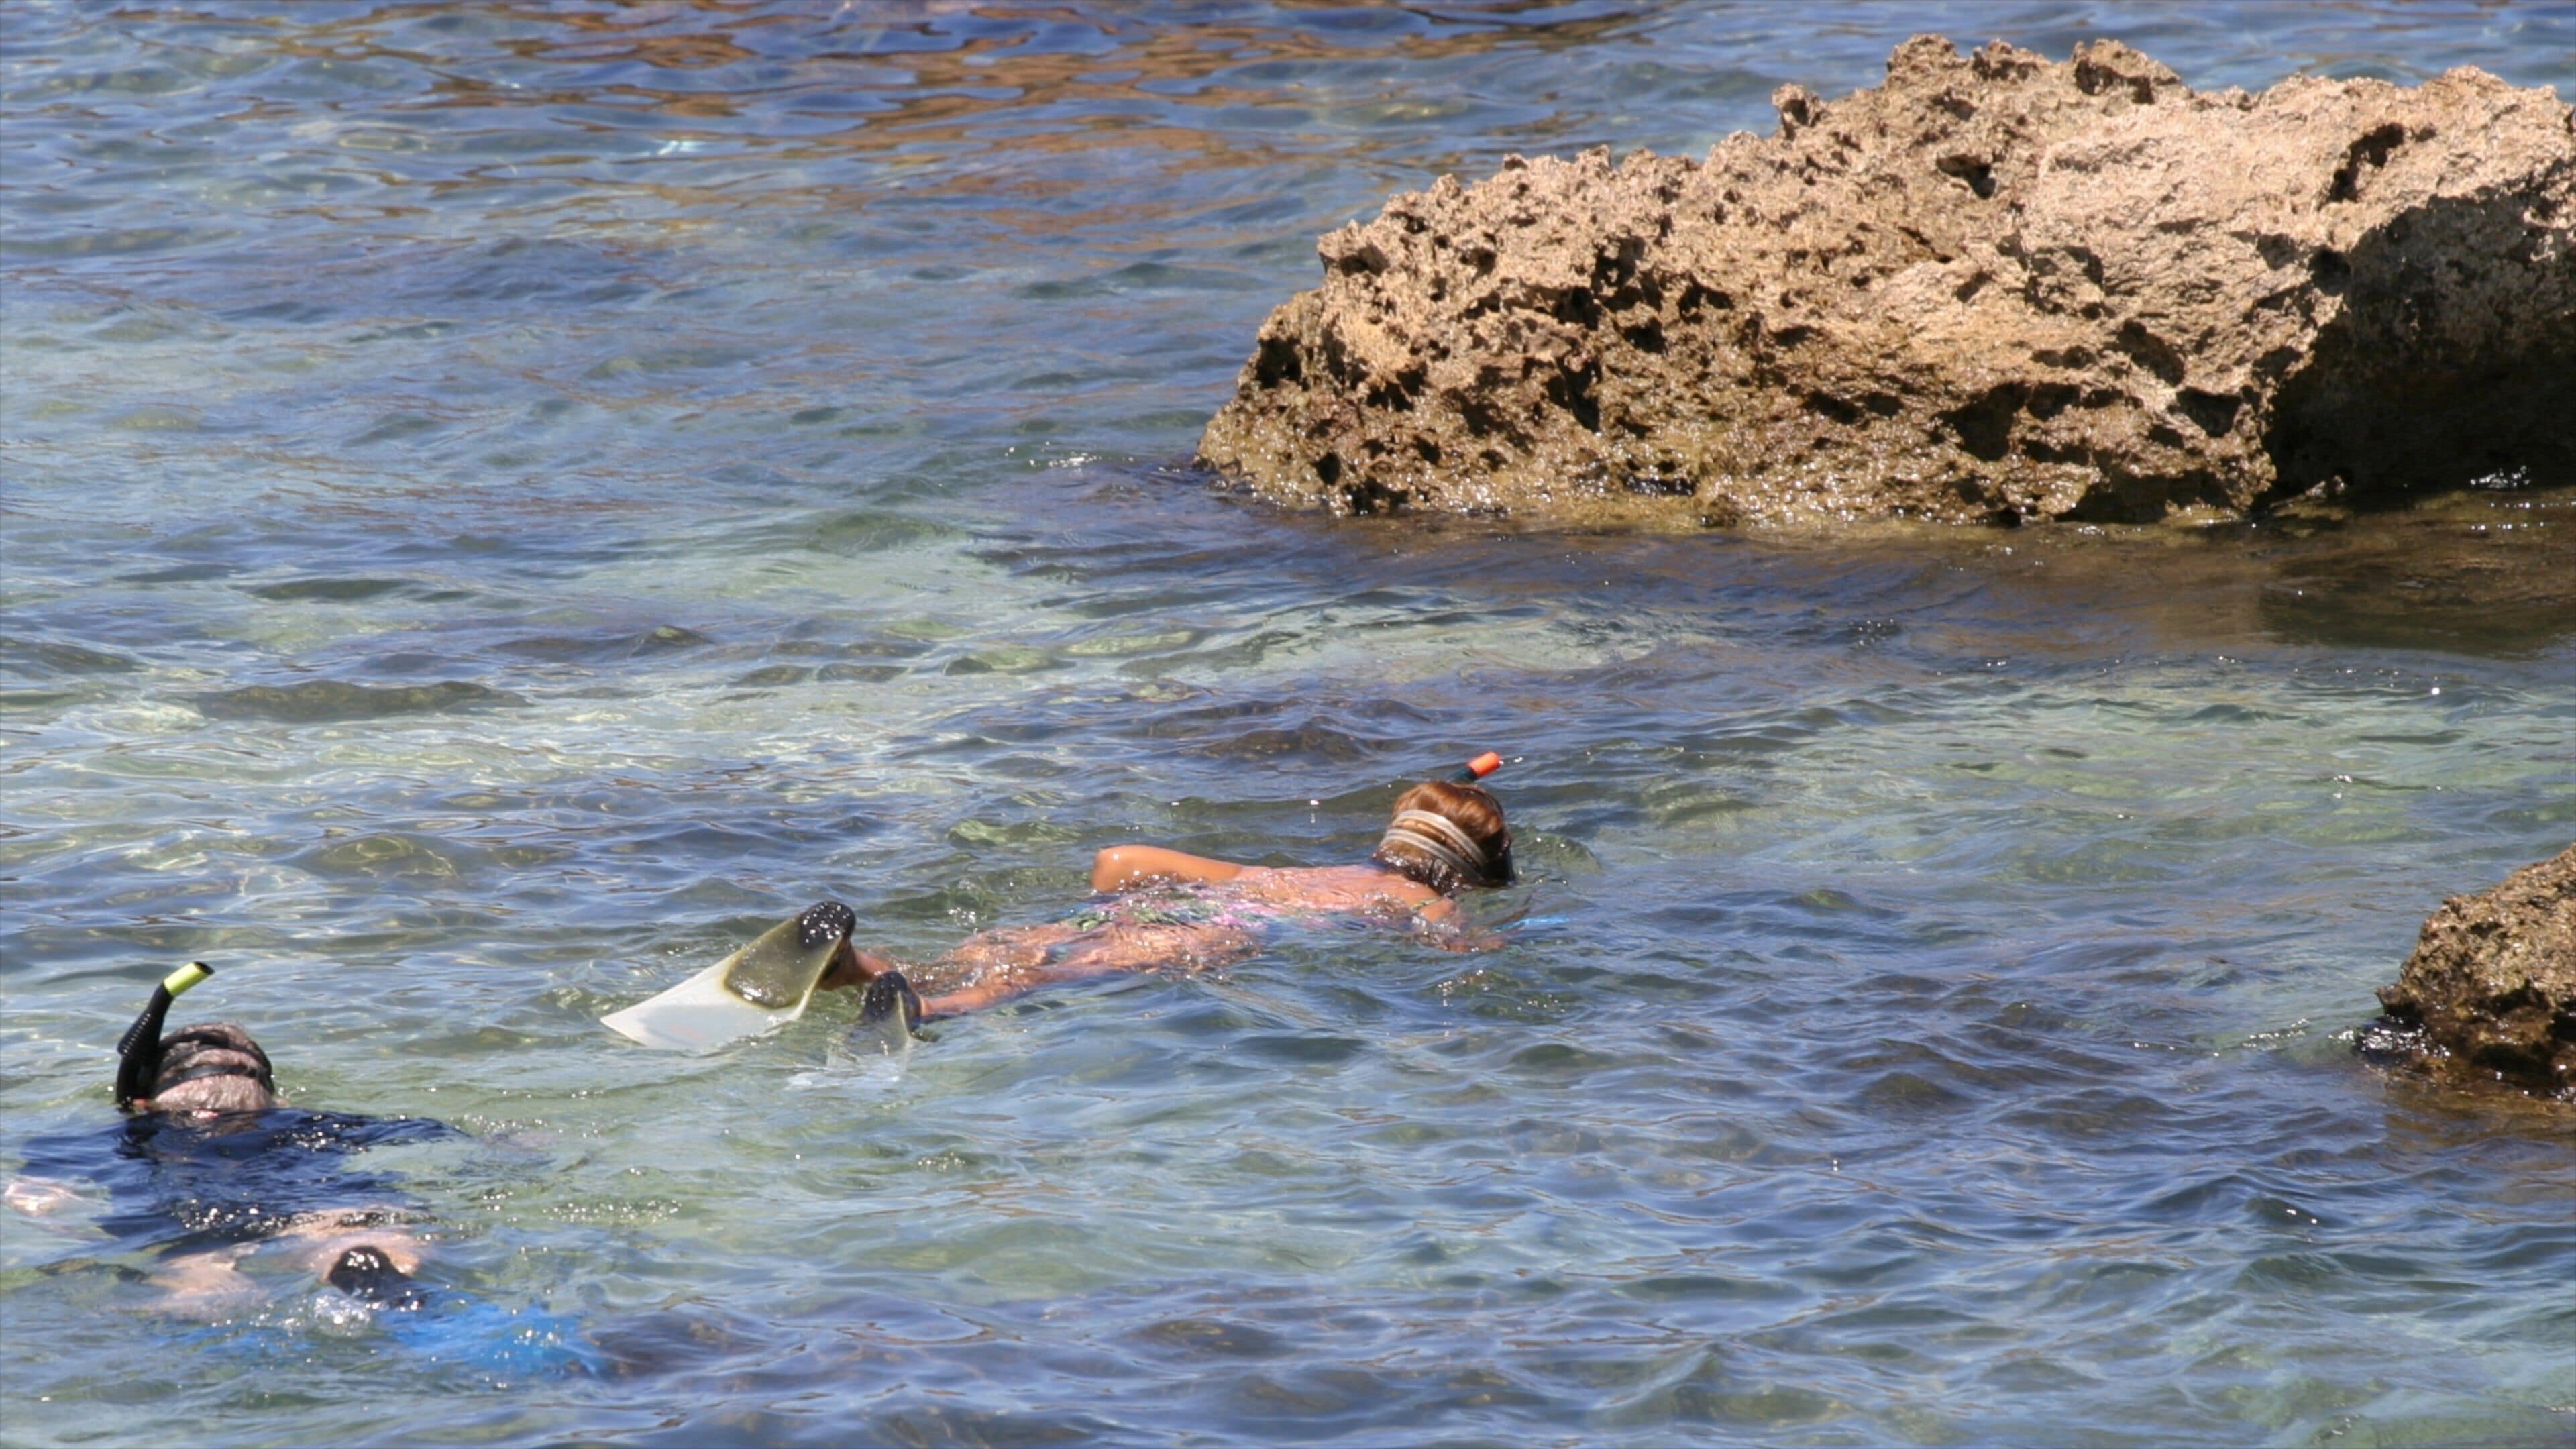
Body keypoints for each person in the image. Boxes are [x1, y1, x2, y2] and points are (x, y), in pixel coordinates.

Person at [822, 771, 1515, 1024]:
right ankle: (929, 1010)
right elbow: (1456, 949)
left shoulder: (1290, 873)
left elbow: (1113, 865)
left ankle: (865, 969)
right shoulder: (1416, 899)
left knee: (1001, 949)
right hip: (1221, 933)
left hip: (1146, 909)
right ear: (1467, 869)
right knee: (1046, 977)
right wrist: (1496, 943)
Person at [6, 965, 453, 1313]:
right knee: (359, 1249)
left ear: (144, 1099)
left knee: (201, 1280)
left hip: (186, 1228)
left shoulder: (107, 1138)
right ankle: (413, 1309)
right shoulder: (312, 1123)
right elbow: (442, 1134)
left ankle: (204, 1295)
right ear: (274, 1099)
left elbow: (33, 1199)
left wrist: (66, 1225)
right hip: (314, 1203)